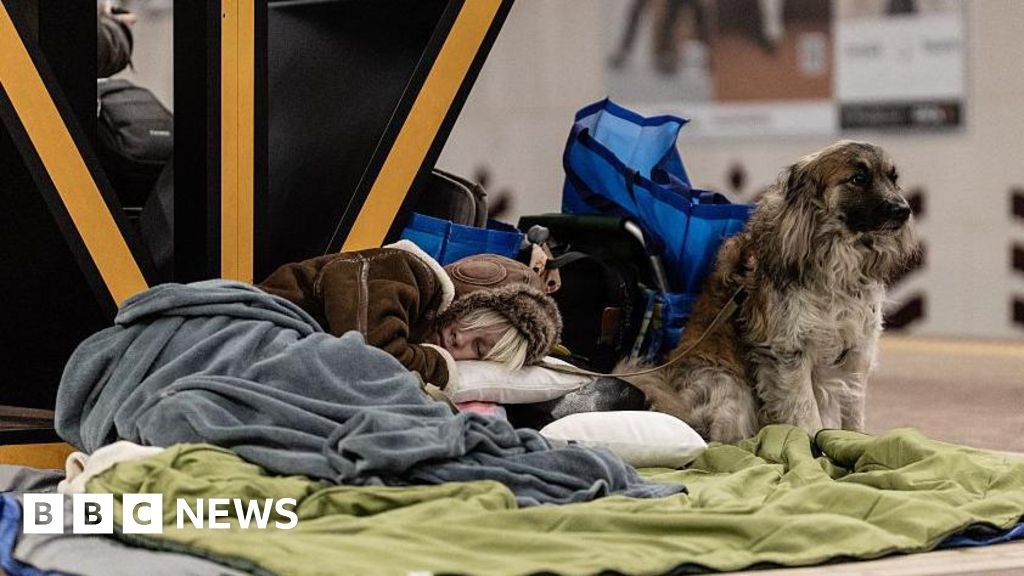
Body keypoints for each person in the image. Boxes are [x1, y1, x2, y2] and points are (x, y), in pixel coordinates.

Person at [257, 240, 562, 390]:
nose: (461, 339)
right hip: (255, 321)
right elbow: (372, 356)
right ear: (468, 300)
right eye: (473, 320)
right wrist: (440, 367)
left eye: (478, 348)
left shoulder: (420, 326)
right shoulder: (405, 271)